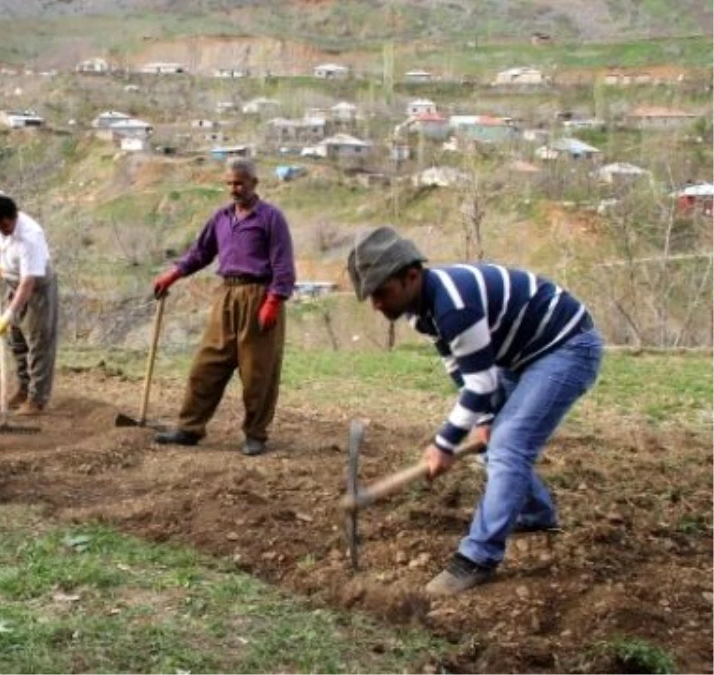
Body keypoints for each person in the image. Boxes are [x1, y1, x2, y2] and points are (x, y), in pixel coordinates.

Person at [347, 226, 603, 596]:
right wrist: (483, 422)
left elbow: (480, 385)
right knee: (492, 439)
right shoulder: (419, 310)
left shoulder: (454, 304)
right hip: (518, 356)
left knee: (509, 444)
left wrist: (444, 444)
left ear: (412, 276)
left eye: (382, 292)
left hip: (566, 348)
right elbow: (458, 365)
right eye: (370, 296)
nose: (376, 304)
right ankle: (535, 514)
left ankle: (477, 558)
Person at [152, 158, 296, 456]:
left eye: (240, 183)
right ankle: (189, 428)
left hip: (258, 296)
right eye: (230, 183)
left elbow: (283, 265)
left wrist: (273, 300)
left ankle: (255, 434)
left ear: (254, 183)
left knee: (257, 371)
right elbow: (200, 253)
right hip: (225, 295)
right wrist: (174, 274)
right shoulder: (221, 218)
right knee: (207, 364)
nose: (234, 189)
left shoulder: (271, 218)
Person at [0, 195, 58, 415]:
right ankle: (24, 389)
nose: (2, 230)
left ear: (14, 217)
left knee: (38, 343)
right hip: (13, 283)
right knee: (16, 341)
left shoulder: (30, 237)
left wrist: (9, 313)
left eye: (5, 225)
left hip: (37, 290)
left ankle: (37, 399)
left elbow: (29, 282)